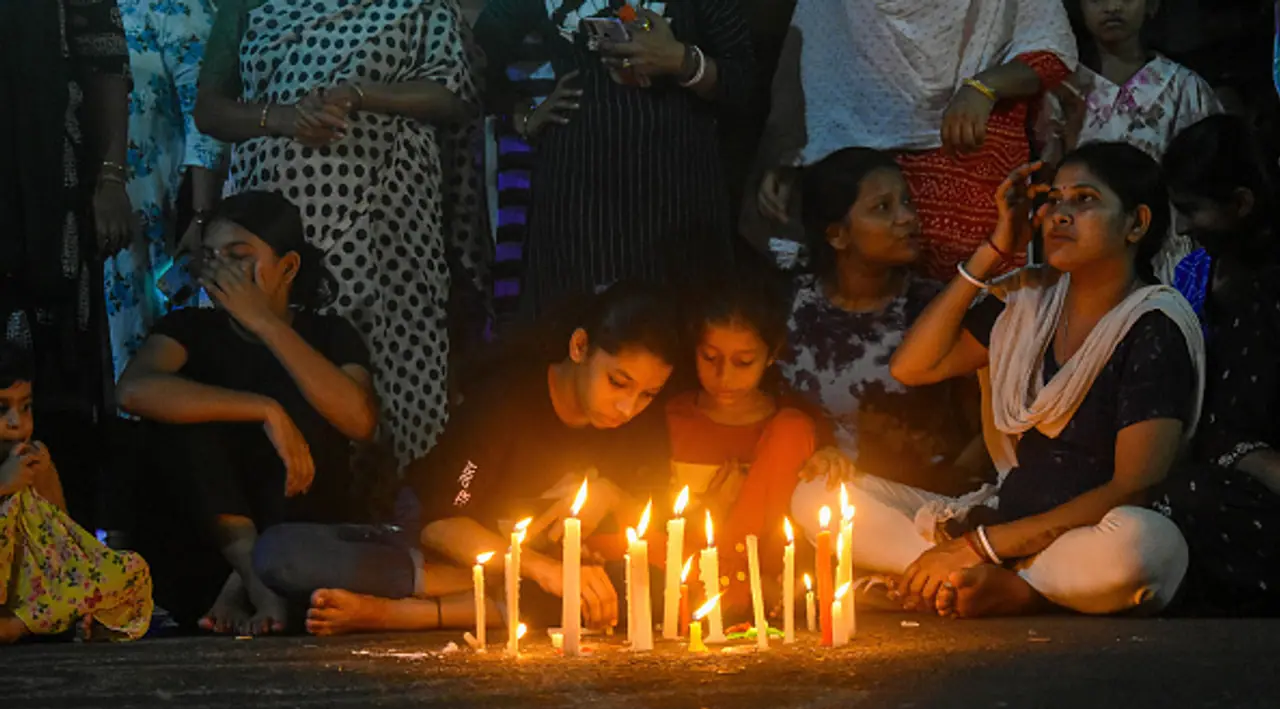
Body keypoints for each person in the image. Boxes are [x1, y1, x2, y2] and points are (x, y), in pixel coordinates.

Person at [793, 143, 1205, 619]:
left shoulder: (1153, 325)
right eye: (1053, 199)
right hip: (1001, 516)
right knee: (814, 498)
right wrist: (995, 248)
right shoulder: (1027, 300)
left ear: (1136, 223)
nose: (1060, 215)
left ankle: (1004, 588)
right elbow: (914, 366)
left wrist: (980, 547)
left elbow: (1135, 486)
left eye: (1085, 200)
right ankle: (982, 583)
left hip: (1082, 537)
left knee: (1144, 549)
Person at [251, 282, 680, 635]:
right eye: (618, 382)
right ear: (580, 345)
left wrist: (609, 497)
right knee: (281, 554)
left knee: (656, 588)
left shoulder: (636, 426)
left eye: (647, 395)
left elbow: (657, 521)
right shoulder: (505, 401)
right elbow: (441, 522)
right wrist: (541, 568)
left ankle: (405, 611)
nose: (627, 408)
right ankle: (431, 598)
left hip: (534, 579)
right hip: (440, 547)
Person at [194, 0, 484, 470]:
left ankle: (390, 506)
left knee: (383, 368)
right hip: (267, 220)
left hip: (383, 221)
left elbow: (454, 95)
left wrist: (360, 94)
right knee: (264, 351)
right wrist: (284, 118)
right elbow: (209, 110)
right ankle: (265, 496)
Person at [117, 191, 377, 635]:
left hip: (297, 529)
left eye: (239, 257)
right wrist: (262, 410)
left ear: (288, 268)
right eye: (212, 257)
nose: (222, 271)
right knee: (185, 421)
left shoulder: (329, 333)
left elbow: (360, 421)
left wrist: (266, 324)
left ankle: (246, 583)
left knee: (312, 405)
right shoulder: (187, 329)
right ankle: (255, 578)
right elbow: (133, 390)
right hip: (203, 539)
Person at [744, 0, 1076, 282]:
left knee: (976, 335)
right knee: (868, 340)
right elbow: (808, 77)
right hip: (865, 206)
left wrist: (984, 87)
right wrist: (789, 159)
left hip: (973, 181)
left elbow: (1051, 52)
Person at [473, 0, 755, 317]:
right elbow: (475, 52)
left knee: (682, 329)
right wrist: (522, 116)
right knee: (579, 332)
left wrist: (682, 60)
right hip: (578, 194)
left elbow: (746, 82)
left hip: (679, 189)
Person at [780, 148, 980, 497]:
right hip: (819, 493)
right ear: (837, 235)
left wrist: (951, 487)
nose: (907, 218)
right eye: (882, 208)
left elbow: (991, 425)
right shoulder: (790, 307)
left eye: (906, 202)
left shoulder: (936, 308)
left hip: (926, 500)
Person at [1, 0, 132, 528]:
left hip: (48, 191)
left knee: (55, 367)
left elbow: (106, 64)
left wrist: (111, 179)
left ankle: (60, 552)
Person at [1158, 115, 1280, 615]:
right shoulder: (1196, 273)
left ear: (1241, 204)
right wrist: (1250, 458)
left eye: (1192, 210)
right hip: (1235, 471)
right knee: (1178, 495)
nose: (1182, 227)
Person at [665, 272, 816, 620]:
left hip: (770, 573)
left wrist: (831, 461)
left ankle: (741, 586)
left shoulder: (792, 426)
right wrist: (708, 508)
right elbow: (650, 522)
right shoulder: (670, 417)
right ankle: (731, 585)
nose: (724, 377)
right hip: (690, 568)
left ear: (771, 354)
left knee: (793, 429)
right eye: (710, 357)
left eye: (743, 362)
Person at [1039, 0, 1222, 282]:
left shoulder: (1184, 88)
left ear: (1151, 5)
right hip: (1083, 259)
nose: (1112, 6)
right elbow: (1044, 180)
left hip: (1167, 263)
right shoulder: (1064, 90)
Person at [0, 340, 153, 644]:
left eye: (26, 407)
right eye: (2, 409)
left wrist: (41, 478)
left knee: (131, 574)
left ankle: (25, 624)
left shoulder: (33, 457)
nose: (17, 423)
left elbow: (63, 537)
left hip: (31, 594)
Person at [107, 0, 226, 379]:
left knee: (138, 348)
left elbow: (207, 120)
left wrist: (202, 215)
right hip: (60, 213)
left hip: (146, 219)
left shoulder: (172, 6)